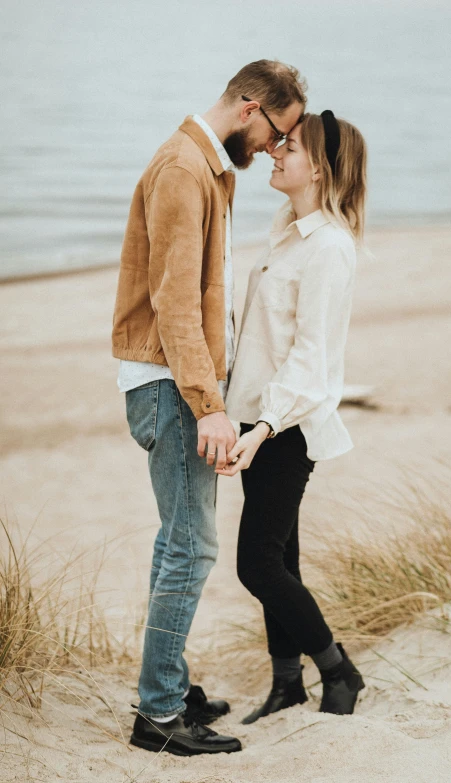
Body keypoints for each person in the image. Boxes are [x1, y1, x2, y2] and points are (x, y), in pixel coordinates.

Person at [111, 60, 307, 756]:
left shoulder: (206, 168)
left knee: (179, 541)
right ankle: (159, 715)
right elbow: (172, 303)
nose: (274, 151)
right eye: (277, 133)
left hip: (178, 381)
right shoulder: (183, 169)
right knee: (191, 548)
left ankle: (169, 685)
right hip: (169, 383)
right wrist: (209, 406)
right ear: (250, 109)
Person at [218, 110, 367, 723]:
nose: (276, 152)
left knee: (256, 564)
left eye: (291, 147)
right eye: (279, 142)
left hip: (285, 428)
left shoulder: (328, 247)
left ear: (323, 167)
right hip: (256, 418)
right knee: (281, 559)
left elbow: (311, 356)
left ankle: (338, 670)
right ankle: (288, 685)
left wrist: (262, 429)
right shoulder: (286, 229)